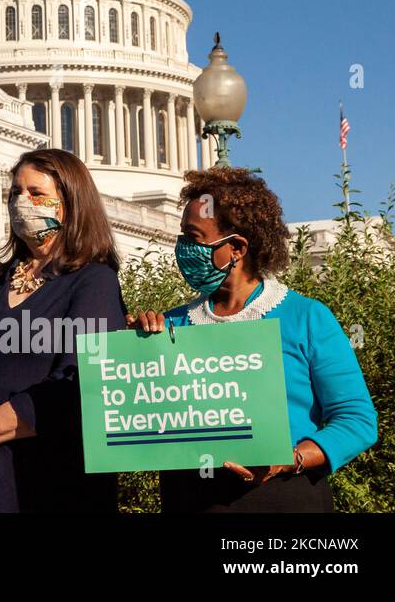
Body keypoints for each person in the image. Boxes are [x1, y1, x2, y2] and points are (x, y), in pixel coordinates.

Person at [129, 168, 377, 512]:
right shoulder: (170, 325)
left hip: (282, 499)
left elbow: (356, 420)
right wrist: (134, 350)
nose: (182, 248)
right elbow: (142, 421)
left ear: (237, 248)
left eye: (193, 236)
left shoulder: (306, 318)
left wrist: (289, 459)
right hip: (189, 500)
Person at [0, 148, 127, 512]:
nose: (22, 202)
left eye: (36, 193)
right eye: (15, 193)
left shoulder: (94, 283)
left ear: (70, 203)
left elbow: (75, 388)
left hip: (57, 484)